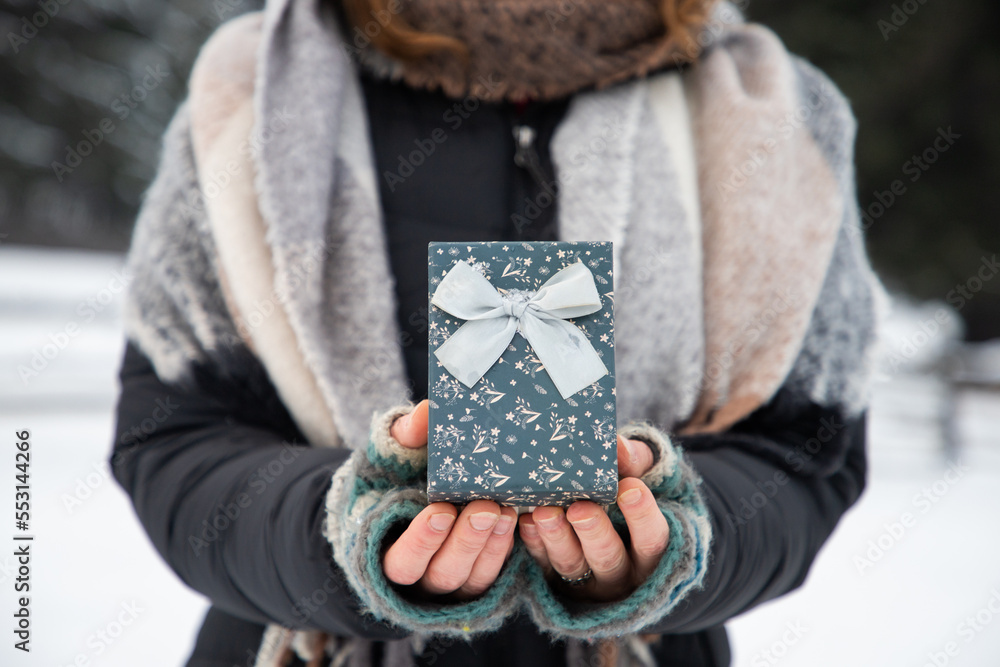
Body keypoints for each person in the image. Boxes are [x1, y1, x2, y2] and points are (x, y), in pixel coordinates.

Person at [110, 0, 884, 665]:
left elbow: (808, 450)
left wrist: (672, 540)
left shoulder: (778, 120)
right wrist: (335, 531)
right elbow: (173, 435)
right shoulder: (246, 99)